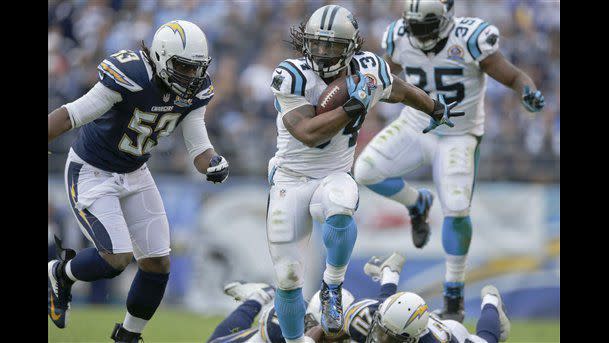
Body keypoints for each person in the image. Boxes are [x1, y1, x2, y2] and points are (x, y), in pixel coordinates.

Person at [267, 5, 464, 342]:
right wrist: (352, 106)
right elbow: (309, 134)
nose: (322, 53)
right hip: (290, 177)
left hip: (334, 173)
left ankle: (332, 287)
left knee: (342, 202)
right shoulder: (292, 76)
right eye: (317, 44)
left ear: (350, 48)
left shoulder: (369, 69)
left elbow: (399, 89)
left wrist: (433, 106)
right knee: (287, 276)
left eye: (331, 46)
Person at [353, 0, 545, 322]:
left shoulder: (470, 38)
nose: (417, 33)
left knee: (456, 208)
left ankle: (453, 297)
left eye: (424, 26)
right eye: (413, 25)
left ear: (445, 20)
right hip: (416, 125)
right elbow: (383, 78)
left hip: (458, 134)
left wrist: (527, 90)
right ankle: (417, 203)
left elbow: (512, 76)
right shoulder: (399, 36)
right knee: (365, 170)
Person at [47, 20, 229, 342]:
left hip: (135, 171)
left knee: (158, 262)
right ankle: (61, 273)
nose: (190, 76)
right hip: (92, 170)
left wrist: (214, 163)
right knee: (117, 258)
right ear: (160, 57)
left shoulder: (196, 90)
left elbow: (199, 147)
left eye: (196, 69)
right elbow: (71, 114)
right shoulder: (130, 76)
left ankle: (128, 336)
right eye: (183, 67)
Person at [328, 252, 511, 343]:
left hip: (450, 333)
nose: (380, 340)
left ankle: (491, 300)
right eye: (381, 332)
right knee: (386, 309)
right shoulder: (364, 318)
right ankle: (389, 271)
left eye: (390, 340)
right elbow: (327, 330)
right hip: (407, 318)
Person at [206, 281, 354, 343]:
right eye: (328, 333)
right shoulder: (280, 326)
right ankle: (258, 298)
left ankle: (259, 296)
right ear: (310, 321)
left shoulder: (359, 329)